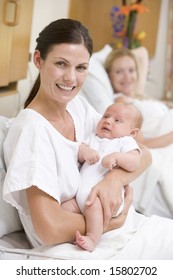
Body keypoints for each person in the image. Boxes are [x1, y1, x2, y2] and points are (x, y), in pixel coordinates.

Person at [2, 18, 173, 259]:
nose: (71, 78)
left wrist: (113, 180)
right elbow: (49, 229)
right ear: (38, 60)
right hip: (80, 243)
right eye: (61, 64)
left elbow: (142, 153)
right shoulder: (32, 129)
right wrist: (109, 223)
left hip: (122, 230)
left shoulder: (77, 107)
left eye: (81, 67)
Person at [62, 102, 142, 252]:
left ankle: (92, 238)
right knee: (64, 208)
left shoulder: (125, 142)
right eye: (106, 116)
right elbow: (79, 151)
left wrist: (118, 157)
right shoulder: (93, 137)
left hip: (103, 199)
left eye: (117, 120)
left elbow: (135, 162)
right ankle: (70, 235)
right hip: (79, 198)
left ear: (132, 133)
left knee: (94, 207)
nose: (108, 121)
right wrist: (85, 152)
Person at [104, 48, 173, 149]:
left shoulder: (136, 95)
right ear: (109, 77)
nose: (127, 77)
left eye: (131, 70)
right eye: (119, 72)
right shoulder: (121, 103)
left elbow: (143, 52)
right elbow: (142, 144)